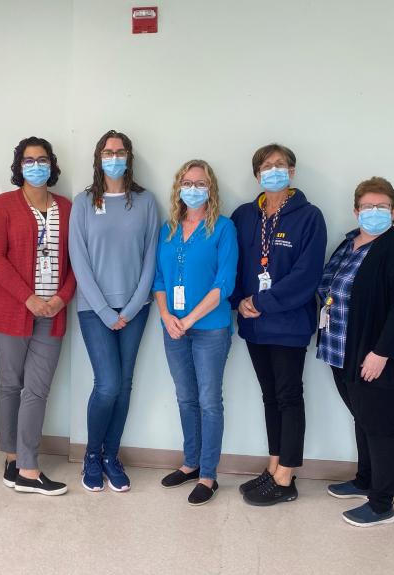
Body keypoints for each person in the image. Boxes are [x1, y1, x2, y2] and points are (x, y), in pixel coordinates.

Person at [317, 176, 394, 527]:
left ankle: (382, 505)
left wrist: (381, 353)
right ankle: (365, 480)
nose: (374, 212)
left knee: (381, 426)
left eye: (382, 206)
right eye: (368, 206)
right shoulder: (349, 244)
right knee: (363, 418)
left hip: (378, 357)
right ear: (356, 211)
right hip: (342, 351)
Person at [229, 143, 327, 506]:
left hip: (288, 324)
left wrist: (260, 302)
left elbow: (307, 275)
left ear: (292, 171)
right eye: (266, 166)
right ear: (257, 174)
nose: (273, 170)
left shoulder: (309, 216)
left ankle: (286, 477)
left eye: (280, 165)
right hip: (254, 326)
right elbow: (232, 263)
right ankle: (273, 466)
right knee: (269, 396)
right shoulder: (244, 215)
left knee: (288, 396)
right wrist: (239, 301)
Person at [69, 130, 159, 492]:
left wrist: (134, 306)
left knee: (123, 386)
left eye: (120, 152)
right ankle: (92, 455)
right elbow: (79, 260)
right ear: (98, 158)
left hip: (136, 308)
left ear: (129, 157)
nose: (114, 157)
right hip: (94, 309)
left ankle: (111, 456)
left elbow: (151, 256)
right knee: (107, 385)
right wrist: (106, 311)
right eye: (108, 152)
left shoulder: (146, 202)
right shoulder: (83, 203)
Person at [0, 136, 76, 496]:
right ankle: (12, 458)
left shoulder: (67, 208)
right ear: (19, 166)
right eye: (28, 160)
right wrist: (28, 298)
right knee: (10, 385)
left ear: (52, 165)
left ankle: (27, 466)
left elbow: (77, 261)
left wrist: (61, 298)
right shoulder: (4, 206)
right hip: (11, 311)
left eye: (42, 159)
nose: (36, 166)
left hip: (53, 314)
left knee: (37, 389)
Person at [154, 159, 237, 506]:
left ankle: (208, 475)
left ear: (210, 188)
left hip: (210, 329)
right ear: (178, 188)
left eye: (200, 183)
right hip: (172, 328)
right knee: (185, 397)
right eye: (187, 183)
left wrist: (188, 320)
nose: (193, 189)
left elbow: (224, 283)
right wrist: (166, 316)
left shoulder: (223, 228)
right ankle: (190, 464)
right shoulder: (168, 229)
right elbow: (159, 279)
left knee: (209, 401)